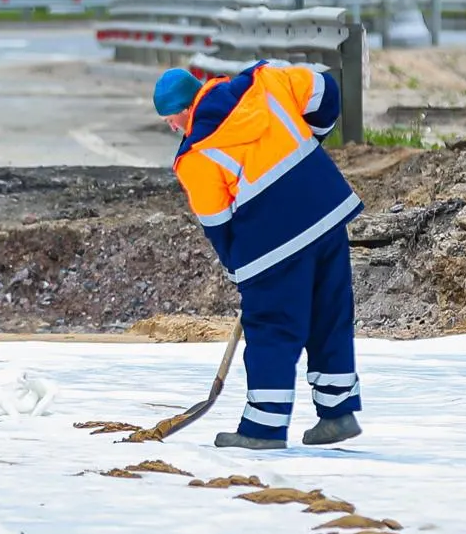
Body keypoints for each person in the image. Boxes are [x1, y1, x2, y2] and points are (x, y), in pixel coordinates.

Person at [154, 63, 364, 450]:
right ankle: (337, 414)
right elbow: (325, 90)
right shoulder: (263, 82)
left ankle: (262, 428)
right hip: (325, 212)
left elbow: (217, 223)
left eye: (172, 119)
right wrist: (311, 140)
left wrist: (240, 273)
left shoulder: (196, 154)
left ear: (186, 109)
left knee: (272, 327)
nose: (173, 128)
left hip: (272, 243)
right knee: (329, 317)